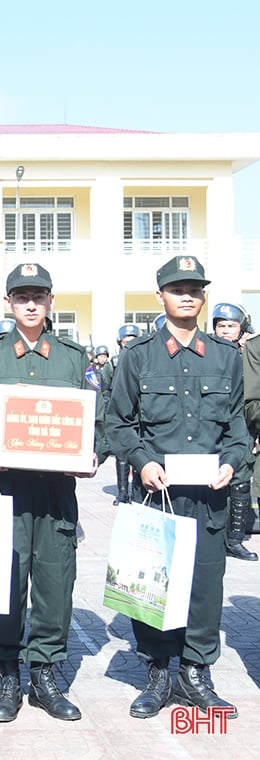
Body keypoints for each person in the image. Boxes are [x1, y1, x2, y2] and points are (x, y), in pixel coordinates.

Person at [0, 262, 105, 724]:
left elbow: (95, 422)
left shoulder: (73, 358)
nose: (31, 304)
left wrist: (92, 452)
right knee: (4, 581)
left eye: (39, 296)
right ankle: (6, 673)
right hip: (6, 488)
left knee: (56, 582)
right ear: (9, 303)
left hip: (57, 491)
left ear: (50, 301)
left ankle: (44, 673)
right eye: (22, 297)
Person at [107, 256, 248, 720]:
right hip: (157, 492)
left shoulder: (227, 357)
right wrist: (142, 463)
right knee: (151, 585)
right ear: (160, 296)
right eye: (176, 288)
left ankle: (196, 673)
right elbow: (118, 423)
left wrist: (231, 464)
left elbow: (237, 430)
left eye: (194, 288)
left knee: (205, 589)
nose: (187, 295)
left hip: (208, 496)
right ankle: (158, 672)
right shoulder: (138, 355)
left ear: (203, 296)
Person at [210, 303, 257, 561]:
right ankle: (215, 536)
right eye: (221, 326)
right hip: (213, 427)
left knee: (240, 482)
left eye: (231, 326)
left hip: (243, 427)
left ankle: (235, 540)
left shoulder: (248, 355)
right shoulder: (207, 352)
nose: (225, 331)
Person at [111, 324, 143, 505]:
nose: (129, 345)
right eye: (125, 342)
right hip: (123, 412)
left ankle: (137, 491)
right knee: (122, 455)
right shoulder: (114, 363)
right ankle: (122, 492)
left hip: (141, 415)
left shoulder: (146, 358)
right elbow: (107, 388)